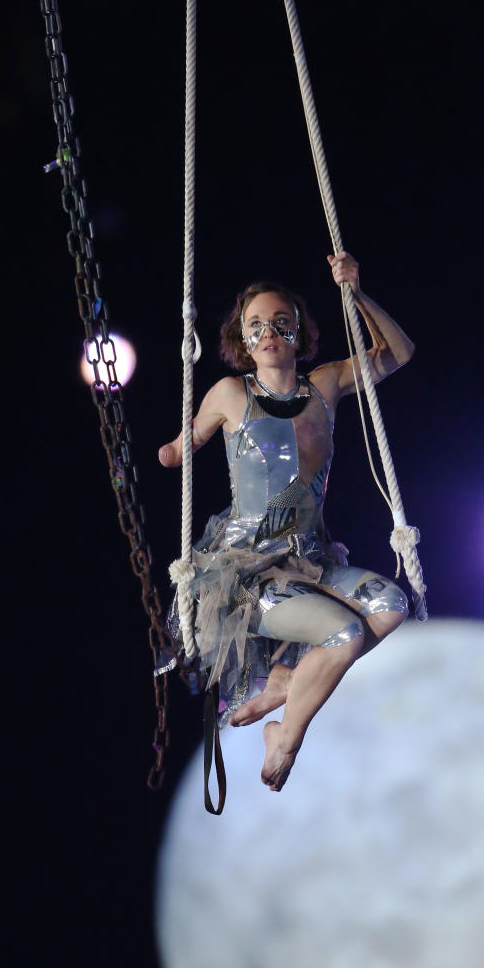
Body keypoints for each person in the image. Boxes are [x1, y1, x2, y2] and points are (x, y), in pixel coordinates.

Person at [159, 252, 414, 792]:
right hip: (247, 576)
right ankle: (287, 737)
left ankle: (286, 684)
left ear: (298, 333)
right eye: (256, 326)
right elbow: (181, 450)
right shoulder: (233, 394)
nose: (269, 333)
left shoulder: (324, 386)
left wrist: (358, 294)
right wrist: (173, 450)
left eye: (281, 323)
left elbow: (399, 353)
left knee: (392, 606)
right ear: (243, 341)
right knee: (344, 634)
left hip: (310, 561)